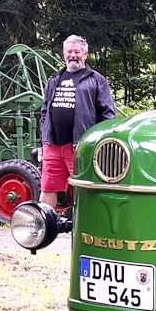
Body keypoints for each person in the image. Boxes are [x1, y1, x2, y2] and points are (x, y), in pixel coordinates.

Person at [39, 34, 117, 207]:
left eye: (77, 52)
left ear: (85, 54)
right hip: (52, 146)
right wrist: (44, 138)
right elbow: (44, 111)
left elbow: (108, 116)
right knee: (48, 188)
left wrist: (102, 145)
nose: (73, 55)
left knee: (84, 188)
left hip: (81, 146)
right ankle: (45, 222)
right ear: (64, 54)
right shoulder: (54, 79)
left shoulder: (97, 80)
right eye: (69, 51)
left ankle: (84, 223)